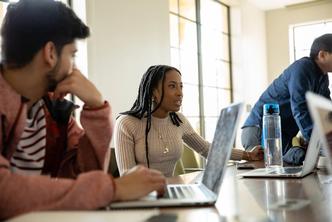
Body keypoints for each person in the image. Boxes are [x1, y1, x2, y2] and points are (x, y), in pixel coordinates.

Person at [0, 0, 165, 219]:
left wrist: (97, 109)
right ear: (50, 53)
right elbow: (5, 193)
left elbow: (85, 176)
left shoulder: (53, 111)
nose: (74, 67)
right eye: (73, 55)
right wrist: (113, 188)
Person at [114, 65, 263, 177]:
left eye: (181, 86)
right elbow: (127, 177)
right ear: (154, 92)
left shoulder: (178, 121)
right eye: (172, 86)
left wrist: (248, 155)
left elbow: (206, 149)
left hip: (170, 193)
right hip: (141, 199)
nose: (180, 93)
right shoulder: (126, 123)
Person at [242, 33, 332, 165]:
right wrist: (320, 144)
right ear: (322, 55)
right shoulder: (303, 68)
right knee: (266, 172)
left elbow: (326, 112)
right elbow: (300, 109)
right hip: (261, 128)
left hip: (282, 133)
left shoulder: (322, 77)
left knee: (292, 168)